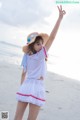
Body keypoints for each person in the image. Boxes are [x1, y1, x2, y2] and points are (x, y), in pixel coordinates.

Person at [14, 5, 66, 120]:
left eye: (42, 43)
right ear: (32, 45)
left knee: (17, 117)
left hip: (25, 86)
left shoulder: (26, 55)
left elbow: (23, 73)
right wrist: (59, 18)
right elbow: (52, 37)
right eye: (38, 43)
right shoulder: (40, 55)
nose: (42, 45)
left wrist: (22, 87)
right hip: (37, 87)